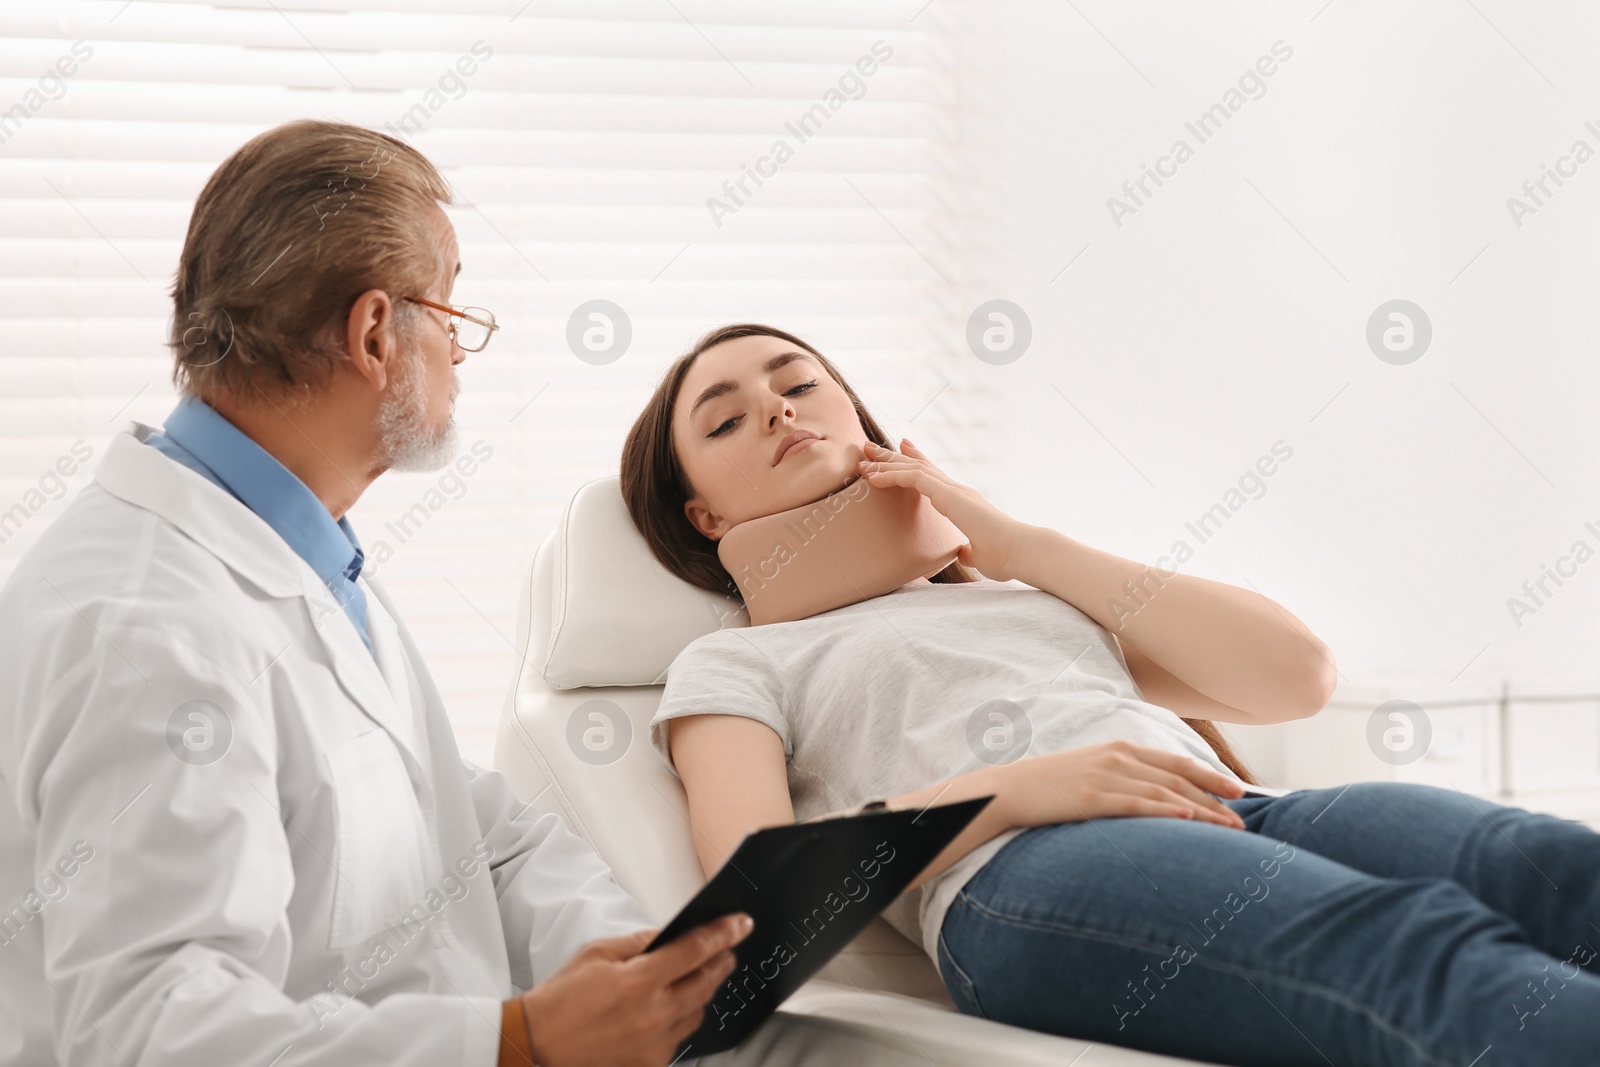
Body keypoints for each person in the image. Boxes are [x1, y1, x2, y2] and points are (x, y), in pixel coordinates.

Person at [0, 123, 936, 1067]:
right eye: (446, 308)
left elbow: (469, 829)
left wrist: (650, 974)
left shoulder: (305, 557)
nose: (459, 344)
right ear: (374, 333)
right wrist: (516, 1041)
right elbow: (145, 1034)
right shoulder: (143, 625)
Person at [619, 321, 1600, 1067]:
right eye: (728, 417)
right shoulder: (736, 663)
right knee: (1414, 949)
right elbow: (752, 903)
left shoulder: (1021, 597)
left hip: (1237, 808)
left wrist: (1013, 544)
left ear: (869, 432)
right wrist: (1026, 787)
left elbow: (1293, 674)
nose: (779, 410)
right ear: (705, 512)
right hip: (1021, 872)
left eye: (798, 386)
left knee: (1539, 863)